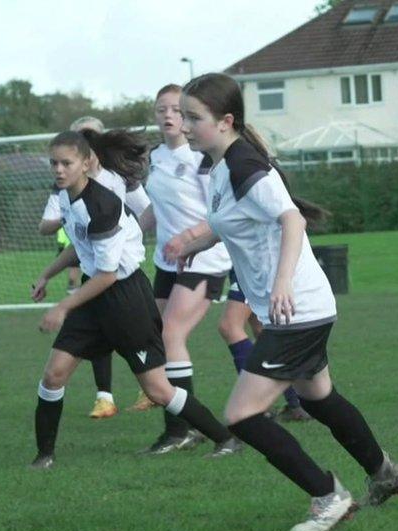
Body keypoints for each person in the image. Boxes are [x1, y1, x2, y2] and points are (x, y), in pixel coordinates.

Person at [170, 72, 398, 531]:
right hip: (300, 309)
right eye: (182, 115)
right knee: (319, 397)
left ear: (225, 121)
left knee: (241, 415)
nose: (183, 125)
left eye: (192, 117)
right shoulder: (222, 166)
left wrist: (281, 284)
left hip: (295, 310)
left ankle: (328, 496)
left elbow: (291, 219)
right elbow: (235, 219)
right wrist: (196, 242)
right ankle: (385, 472)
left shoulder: (246, 167)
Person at [29, 130, 241, 469]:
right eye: (53, 162)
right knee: (54, 375)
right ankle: (44, 456)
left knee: (158, 390)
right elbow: (80, 245)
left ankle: (225, 438)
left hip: (125, 299)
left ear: (87, 163)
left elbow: (109, 274)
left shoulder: (103, 205)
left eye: (66, 163)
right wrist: (47, 274)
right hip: (94, 294)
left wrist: (63, 305)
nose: (58, 169)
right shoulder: (67, 196)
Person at [132, 84, 232, 456]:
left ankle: (181, 429)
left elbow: (220, 215)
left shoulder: (202, 159)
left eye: (177, 109)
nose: (169, 116)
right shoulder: (157, 157)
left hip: (204, 259)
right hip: (167, 261)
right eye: (162, 110)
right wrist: (126, 235)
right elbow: (156, 208)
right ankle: (182, 426)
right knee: (157, 337)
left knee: (172, 334)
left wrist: (191, 239)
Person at [38, 116, 152, 419]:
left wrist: (124, 238)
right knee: (91, 341)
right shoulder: (64, 191)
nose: (61, 167)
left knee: (149, 358)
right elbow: (50, 228)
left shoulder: (117, 179)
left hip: (121, 278)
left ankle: (156, 394)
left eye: (89, 136)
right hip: (95, 270)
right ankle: (105, 397)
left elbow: (146, 210)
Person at [219, 269, 311, 421]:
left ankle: (256, 406)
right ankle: (297, 404)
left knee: (229, 326)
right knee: (262, 329)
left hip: (254, 268)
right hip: (247, 266)